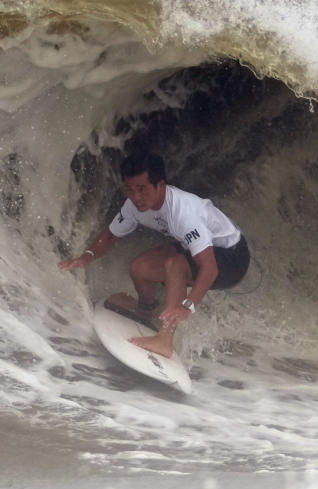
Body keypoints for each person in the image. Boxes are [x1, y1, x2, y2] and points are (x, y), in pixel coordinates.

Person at [59, 152, 250, 358]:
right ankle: (146, 309)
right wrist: (86, 257)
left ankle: (165, 340)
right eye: (130, 189)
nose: (136, 197)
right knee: (140, 268)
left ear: (160, 185)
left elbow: (210, 268)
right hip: (199, 247)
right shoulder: (134, 206)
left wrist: (187, 307)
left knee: (174, 263)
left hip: (232, 258)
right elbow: (110, 236)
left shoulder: (183, 213)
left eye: (142, 189)